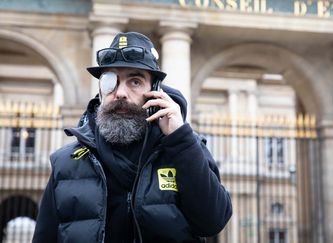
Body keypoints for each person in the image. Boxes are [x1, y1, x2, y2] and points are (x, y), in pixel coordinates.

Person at [32, 32, 232, 243]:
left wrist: (180, 139)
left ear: (155, 92)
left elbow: (213, 221)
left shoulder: (186, 149)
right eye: (110, 81)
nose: (120, 93)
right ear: (100, 91)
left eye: (135, 81)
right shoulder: (66, 162)